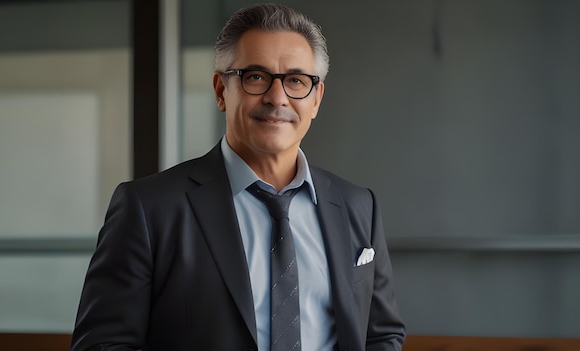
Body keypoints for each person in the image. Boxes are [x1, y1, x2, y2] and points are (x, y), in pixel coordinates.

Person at [71, 3, 405, 350]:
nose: (277, 98)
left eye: (296, 80)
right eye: (256, 77)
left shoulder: (357, 206)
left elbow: (381, 334)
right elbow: (103, 344)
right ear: (220, 90)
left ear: (316, 99)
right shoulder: (149, 208)